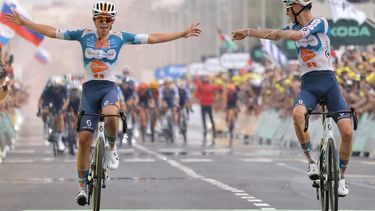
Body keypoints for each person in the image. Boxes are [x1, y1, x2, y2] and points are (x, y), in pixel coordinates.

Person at [6, 1, 201, 205]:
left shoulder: (120, 37)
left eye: (109, 19)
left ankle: (111, 147)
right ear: (95, 20)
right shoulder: (83, 35)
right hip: (89, 91)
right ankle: (82, 186)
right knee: (83, 140)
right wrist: (25, 23)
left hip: (108, 88)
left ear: (113, 21)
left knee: (111, 114)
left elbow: (153, 38)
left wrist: (181, 33)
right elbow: (52, 31)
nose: (105, 23)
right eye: (101, 19)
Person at [232, 0, 353, 197]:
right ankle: (311, 162)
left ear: (298, 7)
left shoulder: (320, 22)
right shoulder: (291, 26)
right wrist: (248, 31)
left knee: (347, 132)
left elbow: (297, 35)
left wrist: (280, 34)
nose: (286, 12)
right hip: (309, 84)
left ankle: (341, 177)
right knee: (297, 114)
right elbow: (270, 34)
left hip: (329, 82)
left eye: (288, 8)